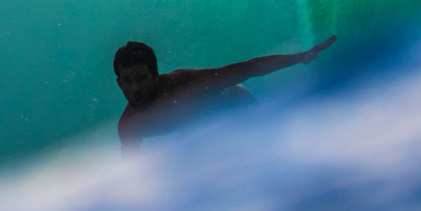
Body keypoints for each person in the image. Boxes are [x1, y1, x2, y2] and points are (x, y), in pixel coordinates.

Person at [113, 35, 336, 151]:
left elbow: (248, 69)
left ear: (155, 76)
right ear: (119, 84)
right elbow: (133, 177)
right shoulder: (130, 126)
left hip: (236, 105)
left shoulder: (183, 85)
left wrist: (300, 57)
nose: (135, 88)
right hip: (204, 131)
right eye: (128, 81)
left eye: (141, 78)